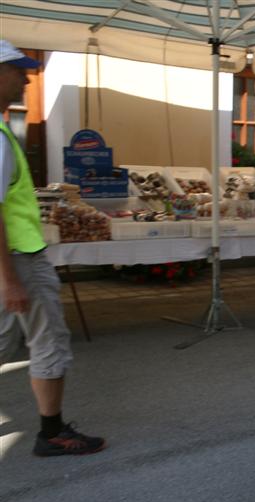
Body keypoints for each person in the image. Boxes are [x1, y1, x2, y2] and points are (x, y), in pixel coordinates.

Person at [0, 41, 106, 457]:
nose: (26, 78)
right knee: (49, 343)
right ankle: (52, 432)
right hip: (20, 260)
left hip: (14, 259)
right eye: (17, 70)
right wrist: (9, 279)